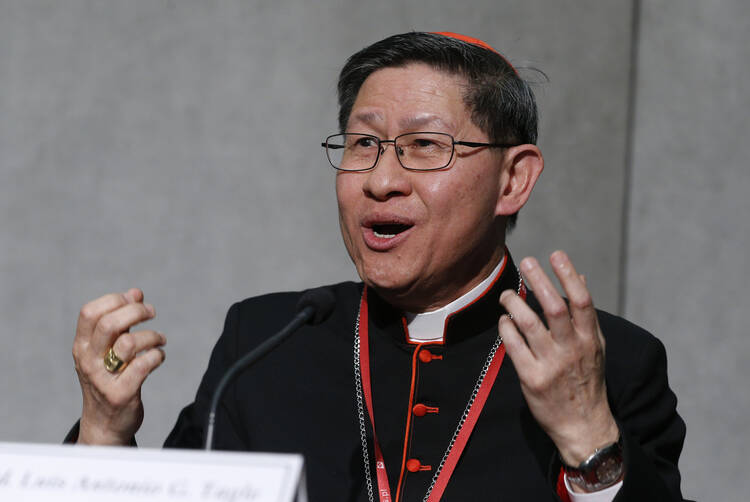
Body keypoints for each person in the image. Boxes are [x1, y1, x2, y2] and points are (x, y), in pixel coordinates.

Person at [69, 32, 688, 501]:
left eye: (425, 146)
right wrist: (104, 432)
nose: (381, 180)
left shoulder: (615, 365)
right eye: (364, 144)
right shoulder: (266, 343)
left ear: (513, 179)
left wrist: (587, 438)